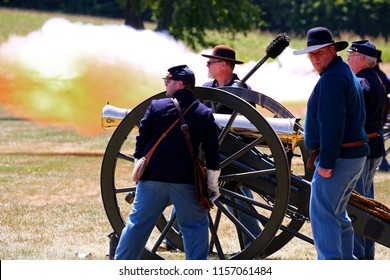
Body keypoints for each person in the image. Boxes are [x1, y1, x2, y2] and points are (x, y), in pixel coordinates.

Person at [114, 65, 221, 260]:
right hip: (186, 182)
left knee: (137, 226)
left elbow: (142, 139)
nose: (165, 83)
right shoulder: (204, 113)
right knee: (195, 227)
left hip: (152, 180)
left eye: (168, 80)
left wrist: (139, 167)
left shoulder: (156, 106)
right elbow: (212, 153)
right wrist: (212, 184)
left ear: (180, 84)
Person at [293, 27, 370, 260]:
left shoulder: (332, 79)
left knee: (323, 216)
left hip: (339, 159)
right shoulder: (341, 71)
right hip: (351, 156)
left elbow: (332, 124)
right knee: (337, 215)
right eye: (311, 54)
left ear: (331, 50)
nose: (315, 58)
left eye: (320, 52)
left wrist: (325, 163)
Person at [201, 44, 262, 247]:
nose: (207, 65)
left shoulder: (242, 91)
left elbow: (251, 126)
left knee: (240, 193)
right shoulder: (207, 89)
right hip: (208, 150)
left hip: (234, 153)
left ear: (224, 65)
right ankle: (175, 236)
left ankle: (252, 240)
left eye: (211, 62)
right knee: (192, 184)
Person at [347, 40, 387, 259]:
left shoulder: (362, 83)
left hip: (363, 150)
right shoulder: (376, 79)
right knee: (367, 206)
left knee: (358, 208)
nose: (347, 60)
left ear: (360, 57)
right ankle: (366, 256)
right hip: (374, 147)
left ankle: (359, 257)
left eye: (350, 55)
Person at [373, 50, 390, 172]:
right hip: (381, 114)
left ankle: (383, 165)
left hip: (377, 114)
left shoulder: (376, 76)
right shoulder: (381, 76)